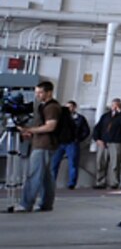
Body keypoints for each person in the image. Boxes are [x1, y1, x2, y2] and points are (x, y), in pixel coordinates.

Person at [16, 81, 60, 213]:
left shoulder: (51, 107)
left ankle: (26, 204)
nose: (37, 95)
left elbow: (50, 126)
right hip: (42, 144)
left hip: (44, 145)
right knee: (46, 177)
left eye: (40, 92)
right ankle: (46, 204)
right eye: (36, 92)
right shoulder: (42, 106)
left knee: (34, 175)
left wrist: (30, 129)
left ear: (49, 92)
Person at [93, 99, 121, 188]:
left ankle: (114, 183)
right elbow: (98, 128)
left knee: (115, 164)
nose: (114, 107)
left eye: (117, 105)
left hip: (116, 142)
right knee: (101, 163)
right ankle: (100, 182)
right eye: (113, 105)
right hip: (103, 142)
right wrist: (97, 139)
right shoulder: (105, 116)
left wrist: (120, 111)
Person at [52, 100, 85, 189]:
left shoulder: (79, 118)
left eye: (70, 107)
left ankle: (71, 183)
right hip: (60, 143)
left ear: (74, 107)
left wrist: (78, 139)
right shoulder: (60, 118)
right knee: (54, 163)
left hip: (72, 143)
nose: (68, 109)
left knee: (73, 163)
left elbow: (85, 131)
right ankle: (51, 182)